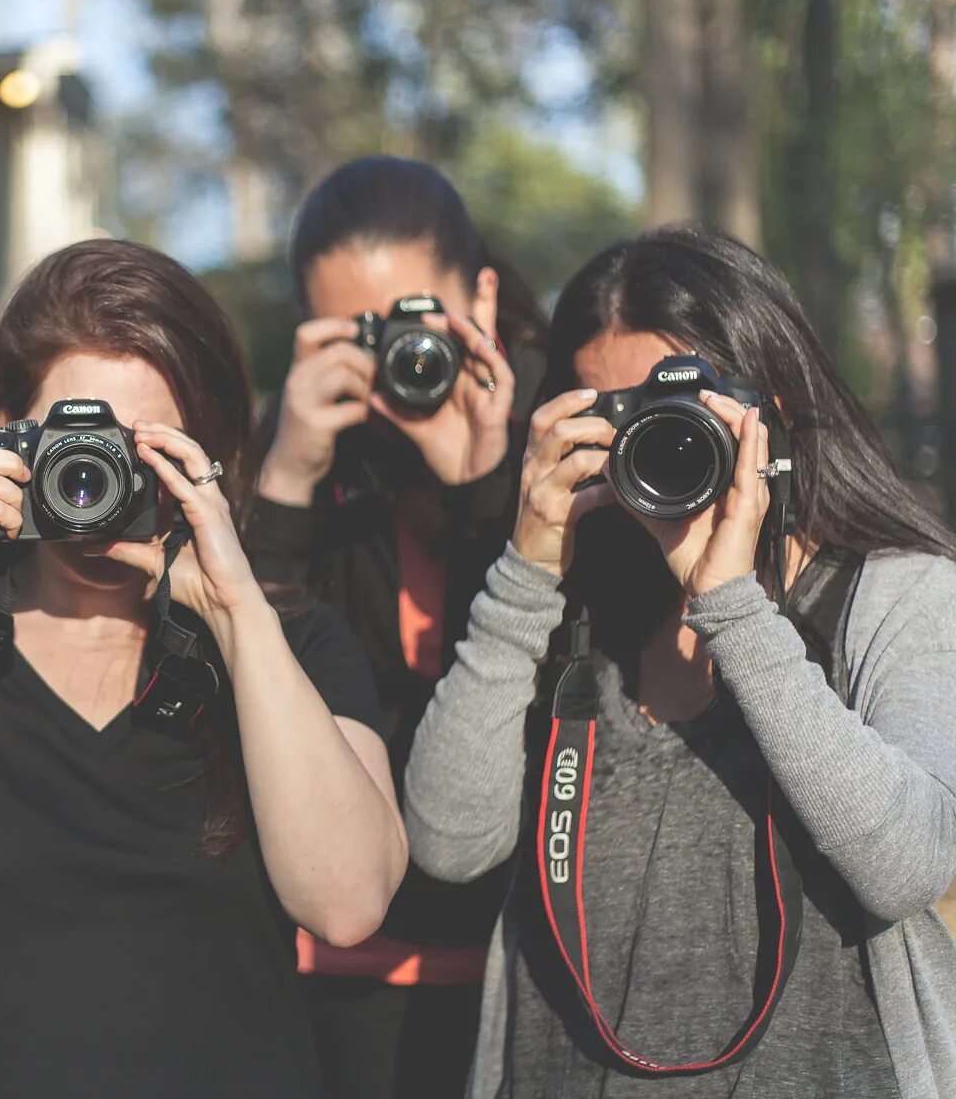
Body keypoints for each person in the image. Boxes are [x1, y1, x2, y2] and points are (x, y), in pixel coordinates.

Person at [0, 238, 408, 1098]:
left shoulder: (291, 643)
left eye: (137, 447)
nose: (95, 476)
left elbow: (348, 905)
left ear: (203, 451)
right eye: (71, 441)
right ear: (5, 433)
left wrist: (236, 613)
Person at [405, 223, 956, 1098]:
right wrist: (525, 568)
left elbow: (907, 866)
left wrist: (731, 602)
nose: (655, 441)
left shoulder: (899, 596)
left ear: (776, 408)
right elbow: (447, 842)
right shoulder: (571, 611)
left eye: (684, 406)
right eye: (615, 418)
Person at [244, 155, 546, 1096]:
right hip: (332, 968)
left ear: (482, 297)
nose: (405, 359)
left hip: (524, 963)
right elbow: (245, 683)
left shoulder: (555, 437)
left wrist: (486, 491)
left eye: (421, 321)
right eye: (363, 334)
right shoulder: (303, 455)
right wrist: (288, 480)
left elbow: (546, 692)